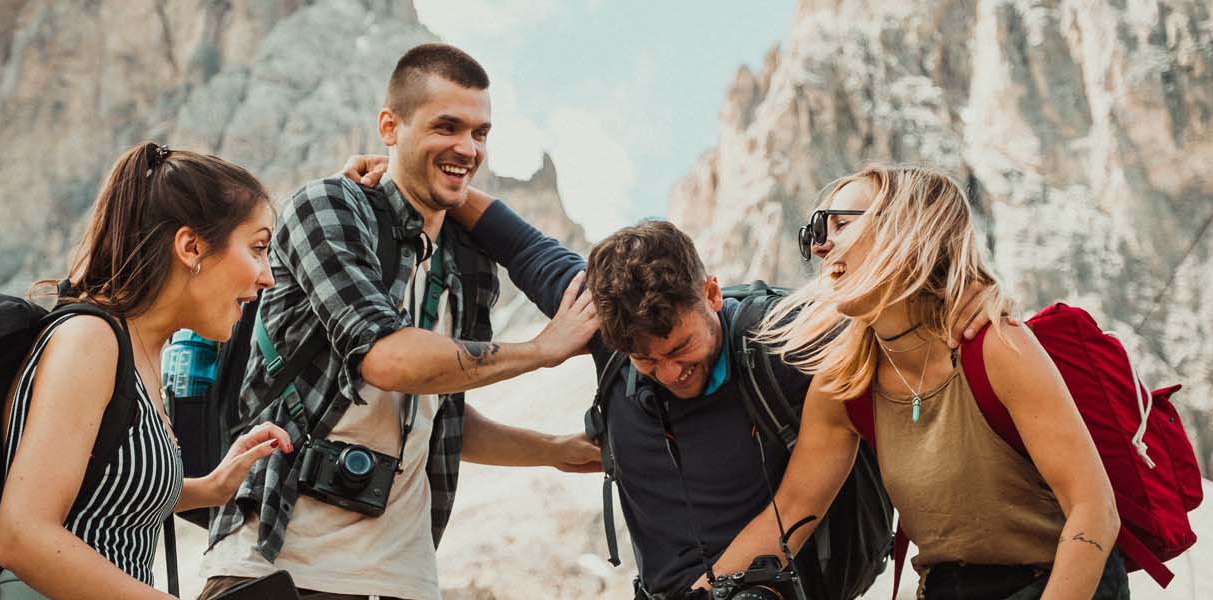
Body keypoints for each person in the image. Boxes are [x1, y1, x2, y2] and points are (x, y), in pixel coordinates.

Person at [338, 156, 1006, 599]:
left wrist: (972, 296)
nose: (671, 372)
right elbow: (518, 243)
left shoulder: (782, 338)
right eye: (646, 361)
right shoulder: (605, 328)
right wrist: (414, 178)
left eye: (681, 347)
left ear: (711, 293)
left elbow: (898, 317)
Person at [197, 43, 602, 600]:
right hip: (278, 565)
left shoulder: (469, 263)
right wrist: (541, 350)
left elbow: (441, 412)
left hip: (403, 579)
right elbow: (386, 358)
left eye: (480, 133)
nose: (468, 148)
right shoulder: (329, 208)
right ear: (390, 126)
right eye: (447, 126)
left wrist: (551, 449)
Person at [708, 164, 1128, 599]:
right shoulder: (845, 383)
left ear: (906, 229)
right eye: (816, 230)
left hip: (1061, 580)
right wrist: (697, 593)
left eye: (841, 224)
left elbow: (1094, 510)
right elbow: (791, 512)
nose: (821, 247)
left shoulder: (994, 346)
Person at [0, 142, 294, 599]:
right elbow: (22, 537)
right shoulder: (90, 342)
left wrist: (210, 488)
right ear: (191, 247)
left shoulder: (141, 351)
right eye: (257, 248)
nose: (267, 276)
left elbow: (104, 489)